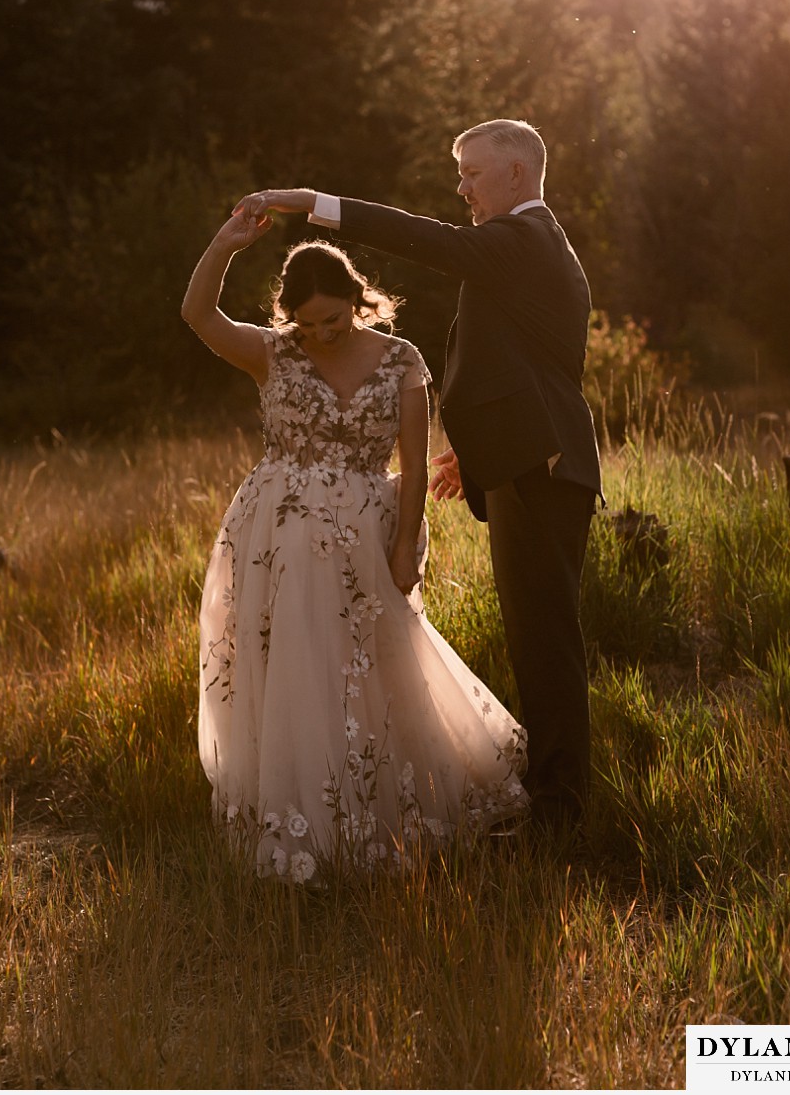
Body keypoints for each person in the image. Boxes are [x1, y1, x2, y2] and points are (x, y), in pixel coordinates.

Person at [234, 118, 603, 839]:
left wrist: (311, 201)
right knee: (535, 634)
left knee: (545, 637)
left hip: (544, 466)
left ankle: (562, 812)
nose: (461, 187)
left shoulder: (520, 239)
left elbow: (420, 237)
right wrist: (483, 445)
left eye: (472, 173)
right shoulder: (526, 249)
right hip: (532, 457)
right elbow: (535, 361)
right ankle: (556, 795)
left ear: (517, 175)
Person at [182, 221, 529, 882]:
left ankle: (382, 813)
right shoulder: (273, 353)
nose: (325, 333)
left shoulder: (401, 360)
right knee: (295, 668)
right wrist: (226, 241)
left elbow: (413, 466)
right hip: (277, 539)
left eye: (335, 319)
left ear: (357, 297)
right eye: (310, 324)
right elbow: (196, 314)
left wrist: (406, 547)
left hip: (366, 537)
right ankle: (305, 820)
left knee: (373, 669)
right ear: (290, 317)